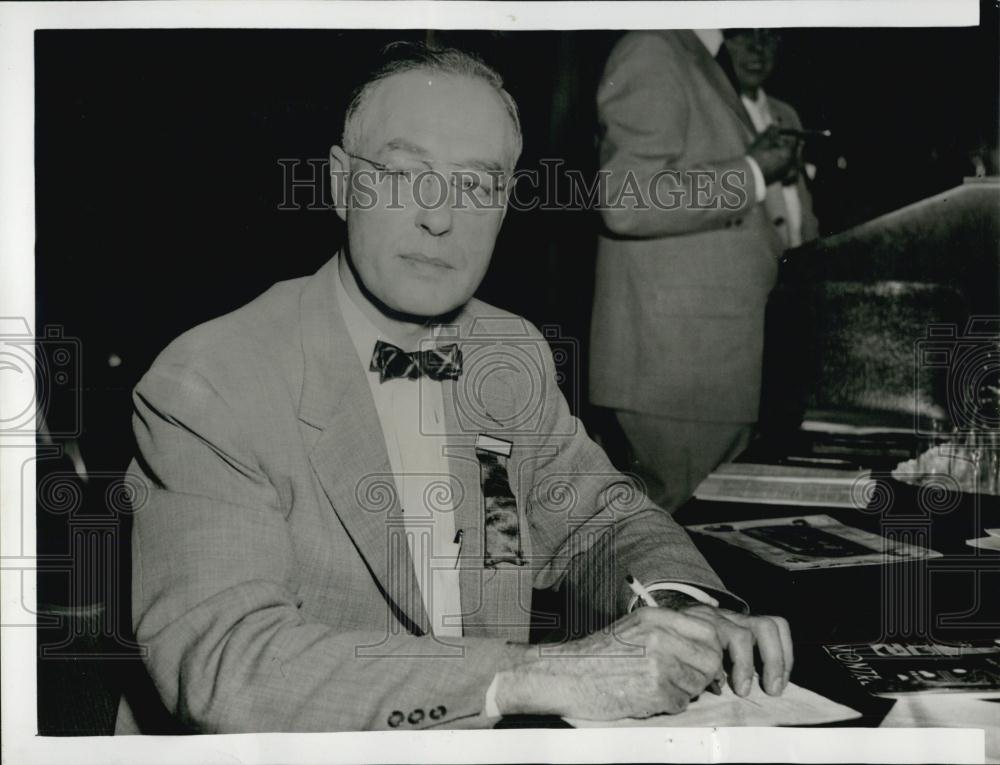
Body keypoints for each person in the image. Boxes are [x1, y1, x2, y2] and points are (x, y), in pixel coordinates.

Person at [116, 42, 792, 734]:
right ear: (342, 182)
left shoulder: (510, 351)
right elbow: (230, 664)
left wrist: (681, 604)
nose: (441, 218)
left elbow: (601, 521)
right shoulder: (210, 380)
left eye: (476, 185)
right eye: (407, 174)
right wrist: (529, 675)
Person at [589, 30, 804, 512]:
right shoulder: (652, 48)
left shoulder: (695, 57)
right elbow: (625, 198)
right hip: (677, 371)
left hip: (713, 366)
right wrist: (751, 172)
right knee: (670, 559)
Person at [720, 28, 819, 249]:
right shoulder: (714, 116)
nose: (757, 47)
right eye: (743, 33)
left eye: (768, 35)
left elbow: (803, 203)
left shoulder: (786, 114)